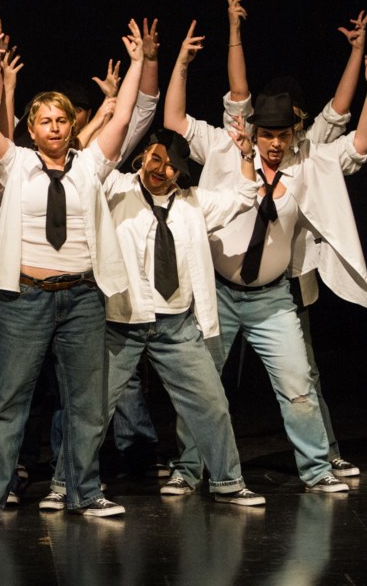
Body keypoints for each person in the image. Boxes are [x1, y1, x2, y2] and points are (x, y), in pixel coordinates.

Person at [164, 19, 367, 494]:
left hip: (271, 300)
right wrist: (181, 64)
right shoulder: (224, 148)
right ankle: (186, 469)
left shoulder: (306, 164)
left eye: (283, 134)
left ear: (293, 133)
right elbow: (175, 120)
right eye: (268, 133)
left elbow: (360, 143)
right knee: (201, 387)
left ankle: (317, 468)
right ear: (254, 129)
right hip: (219, 295)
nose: (275, 142)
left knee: (299, 386)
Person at [0, 18, 144, 523]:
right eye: (45, 120)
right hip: (26, 297)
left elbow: (124, 116)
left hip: (82, 297)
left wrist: (137, 63)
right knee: (7, 401)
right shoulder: (15, 163)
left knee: (86, 404)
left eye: (62, 119)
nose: (56, 127)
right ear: (31, 127)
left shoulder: (89, 166)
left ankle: (84, 492)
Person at [221, 0, 367, 477]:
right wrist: (234, 30)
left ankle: (324, 453)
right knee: (213, 375)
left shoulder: (311, 151)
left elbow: (342, 110)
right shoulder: (243, 143)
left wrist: (357, 54)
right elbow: (238, 92)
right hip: (232, 275)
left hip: (288, 279)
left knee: (302, 374)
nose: (277, 134)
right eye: (269, 126)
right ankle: (196, 463)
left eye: (288, 124)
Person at [100, 128, 265, 506]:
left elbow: (243, 196)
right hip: (123, 322)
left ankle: (227, 481)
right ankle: (70, 484)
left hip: (177, 325)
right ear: (143, 156)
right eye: (156, 160)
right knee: (94, 408)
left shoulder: (193, 202)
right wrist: (111, 114)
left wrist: (244, 155)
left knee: (211, 403)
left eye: (172, 166)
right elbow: (96, 165)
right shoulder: (117, 189)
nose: (162, 170)